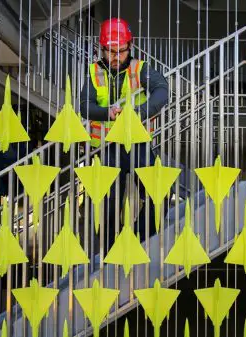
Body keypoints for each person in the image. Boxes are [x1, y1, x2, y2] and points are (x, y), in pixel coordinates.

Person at [80, 18, 169, 249]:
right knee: (106, 205)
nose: (116, 56)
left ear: (130, 46)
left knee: (159, 195)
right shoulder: (94, 71)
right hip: (107, 147)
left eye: (121, 51)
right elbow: (84, 106)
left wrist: (138, 112)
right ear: (103, 49)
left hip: (137, 143)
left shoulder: (140, 69)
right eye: (111, 51)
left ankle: (135, 242)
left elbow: (162, 91)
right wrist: (107, 113)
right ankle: (109, 253)